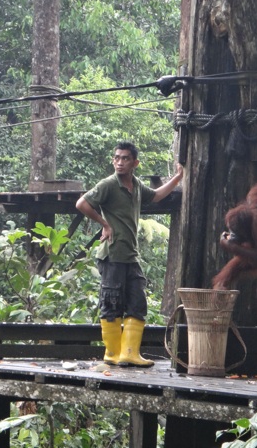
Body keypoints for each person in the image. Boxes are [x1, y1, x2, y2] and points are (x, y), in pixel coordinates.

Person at [75, 141, 183, 367]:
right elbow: (82, 203)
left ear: (135, 163)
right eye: (117, 158)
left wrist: (176, 179)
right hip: (112, 254)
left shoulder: (135, 185)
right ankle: (112, 353)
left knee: (137, 302)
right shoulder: (108, 185)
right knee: (112, 302)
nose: (120, 162)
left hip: (130, 255)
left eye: (125, 158)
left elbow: (155, 196)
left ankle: (130, 353)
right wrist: (104, 223)